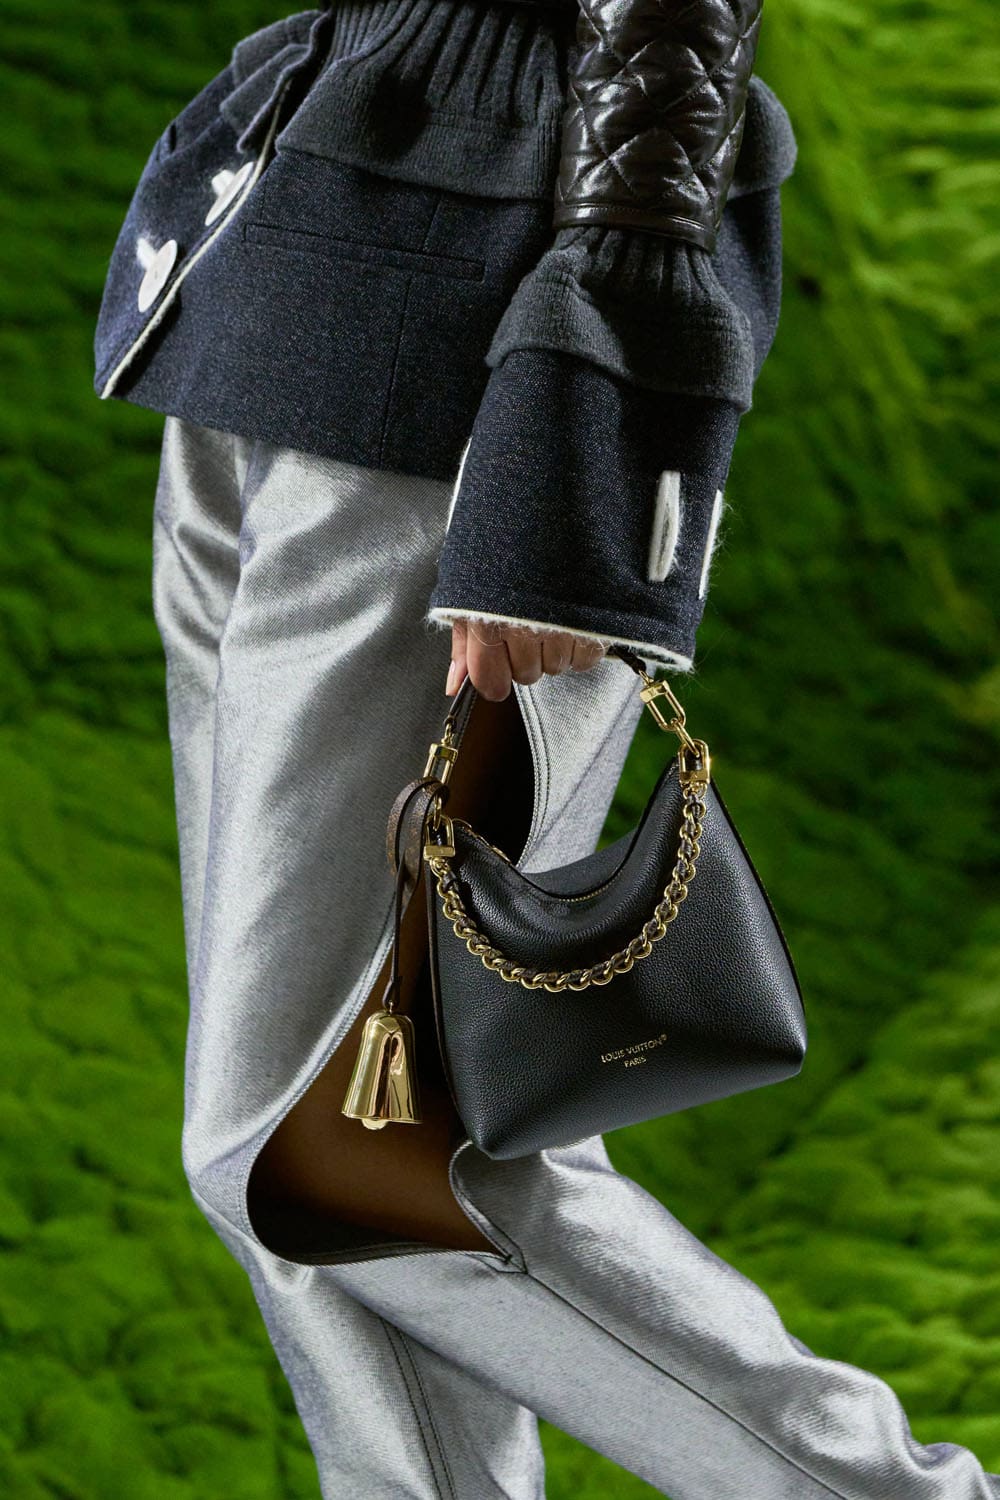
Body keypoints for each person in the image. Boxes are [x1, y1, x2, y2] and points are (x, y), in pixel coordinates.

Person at [94, 1, 1000, 1495]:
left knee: (320, 1146)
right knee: (356, 1142)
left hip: (466, 370)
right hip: (283, 302)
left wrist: (570, 438)